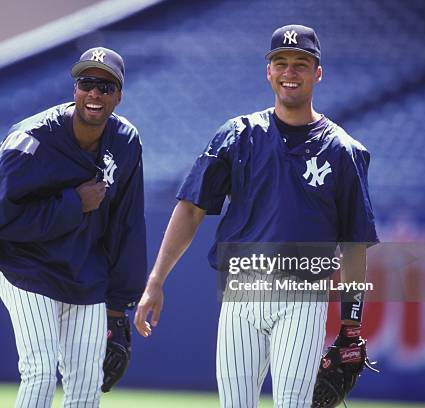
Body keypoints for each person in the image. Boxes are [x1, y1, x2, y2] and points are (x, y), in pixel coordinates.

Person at [135, 25, 378, 407]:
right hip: (241, 293)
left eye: (301, 63)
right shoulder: (238, 134)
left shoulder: (343, 150)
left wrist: (351, 323)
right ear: (268, 71)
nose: (289, 72)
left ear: (318, 72)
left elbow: (354, 244)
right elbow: (191, 208)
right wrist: (156, 280)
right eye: (280, 62)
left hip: (302, 297)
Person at [0, 47, 146, 408]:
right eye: (87, 83)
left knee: (87, 384)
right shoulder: (30, 140)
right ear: (75, 89)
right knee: (40, 371)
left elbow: (127, 225)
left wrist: (119, 309)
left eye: (105, 86)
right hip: (26, 268)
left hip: (85, 273)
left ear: (119, 95)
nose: (95, 93)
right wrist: (73, 204)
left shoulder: (126, 141)